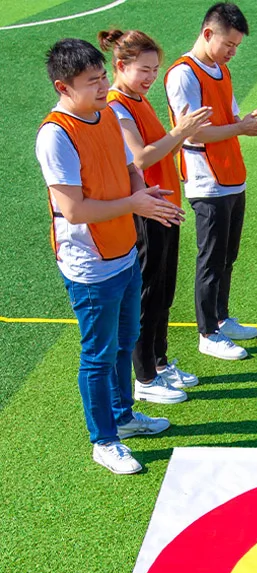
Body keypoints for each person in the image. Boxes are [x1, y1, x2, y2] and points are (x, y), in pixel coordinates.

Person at [36, 39, 183, 474]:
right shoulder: (56, 135)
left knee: (124, 339)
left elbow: (129, 165)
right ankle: (103, 439)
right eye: (92, 82)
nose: (103, 87)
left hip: (123, 250)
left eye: (103, 77)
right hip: (89, 264)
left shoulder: (103, 114)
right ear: (63, 86)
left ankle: (123, 416)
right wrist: (135, 205)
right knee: (98, 353)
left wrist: (140, 190)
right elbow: (75, 209)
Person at [101, 29, 212, 403]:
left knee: (163, 291)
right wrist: (181, 131)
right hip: (146, 210)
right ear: (121, 66)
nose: (151, 77)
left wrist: (184, 134)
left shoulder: (137, 99)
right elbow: (141, 157)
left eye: (155, 70)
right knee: (148, 294)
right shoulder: (117, 105)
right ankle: (145, 377)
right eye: (144, 70)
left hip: (164, 206)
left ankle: (160, 364)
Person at [165, 3, 257, 360]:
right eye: (229, 44)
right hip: (206, 180)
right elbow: (194, 134)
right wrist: (240, 128)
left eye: (236, 46)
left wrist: (247, 125)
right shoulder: (183, 74)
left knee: (228, 255)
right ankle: (207, 332)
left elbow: (228, 117)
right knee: (210, 258)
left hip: (231, 175)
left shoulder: (219, 70)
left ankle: (222, 316)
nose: (232, 52)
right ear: (208, 33)